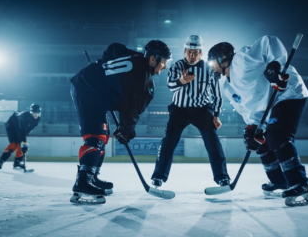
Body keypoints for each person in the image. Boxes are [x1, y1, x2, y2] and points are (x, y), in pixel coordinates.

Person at [207, 36, 308, 207]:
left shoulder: (241, 60)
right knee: (259, 141)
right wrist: (253, 126)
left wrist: (275, 66)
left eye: (213, 63)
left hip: (289, 93)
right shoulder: (226, 87)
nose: (212, 67)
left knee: (277, 136)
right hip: (270, 106)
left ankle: (299, 184)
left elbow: (268, 42)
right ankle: (279, 180)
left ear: (223, 59)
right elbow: (248, 109)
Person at [69, 40, 171, 204]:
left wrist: (104, 64)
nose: (165, 66)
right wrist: (126, 131)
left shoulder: (134, 56)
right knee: (96, 136)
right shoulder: (144, 80)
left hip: (91, 87)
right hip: (87, 89)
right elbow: (130, 110)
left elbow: (114, 48)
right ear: (153, 59)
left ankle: (91, 176)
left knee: (102, 136)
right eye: (164, 61)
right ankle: (83, 182)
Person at [150, 35, 230, 188]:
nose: (192, 55)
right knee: (169, 142)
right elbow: (171, 87)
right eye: (189, 52)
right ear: (184, 51)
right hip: (179, 110)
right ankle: (158, 177)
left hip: (202, 110)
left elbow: (217, 95)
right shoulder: (176, 66)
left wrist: (216, 115)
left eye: (195, 52)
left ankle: (222, 177)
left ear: (201, 52)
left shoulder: (209, 68)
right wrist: (181, 81)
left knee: (213, 142)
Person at [0, 104, 41, 172]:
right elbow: (22, 130)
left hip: (20, 128)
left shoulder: (37, 120)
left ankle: (17, 162)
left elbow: (26, 131)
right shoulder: (25, 117)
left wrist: (23, 142)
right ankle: (1, 161)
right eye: (34, 112)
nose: (36, 114)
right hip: (11, 126)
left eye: (37, 113)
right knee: (14, 144)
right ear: (31, 112)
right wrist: (23, 142)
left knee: (21, 145)